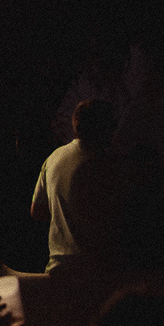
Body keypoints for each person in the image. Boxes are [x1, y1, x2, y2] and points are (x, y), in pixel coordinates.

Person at [31, 98, 123, 271]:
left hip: (58, 270)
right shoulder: (106, 166)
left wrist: (64, 219)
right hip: (95, 270)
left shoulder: (54, 158)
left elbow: (37, 211)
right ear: (102, 127)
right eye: (111, 124)